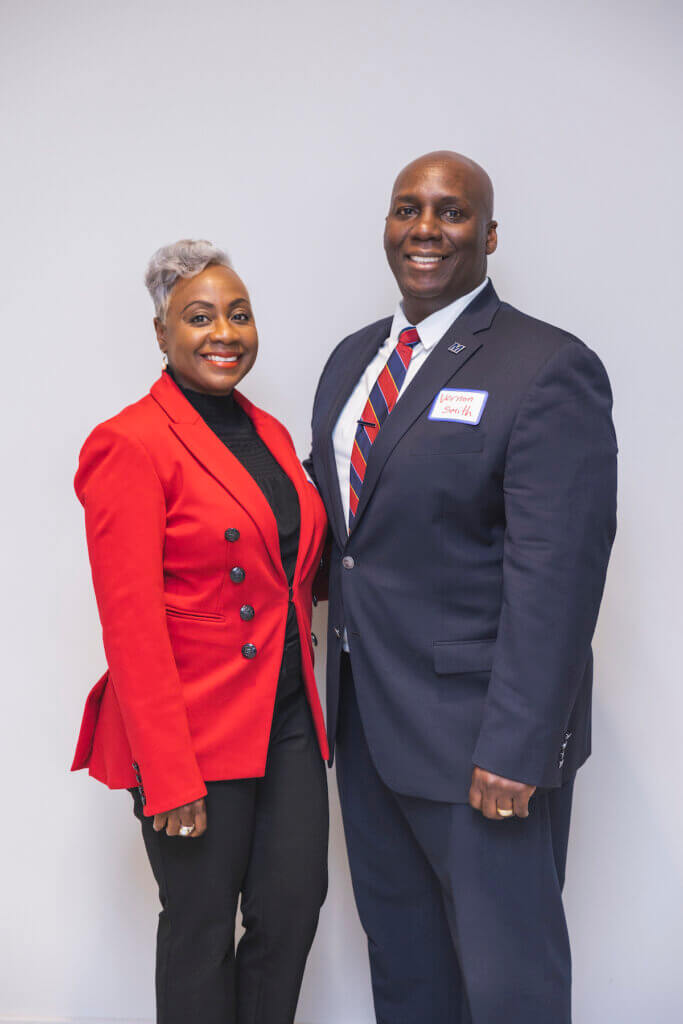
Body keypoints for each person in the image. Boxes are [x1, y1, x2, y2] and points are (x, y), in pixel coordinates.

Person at [305, 152, 617, 1023]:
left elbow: (557, 573)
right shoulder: (351, 362)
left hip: (481, 741)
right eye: (407, 209)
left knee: (506, 976)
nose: (424, 229)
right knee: (404, 965)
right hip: (367, 727)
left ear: (487, 235)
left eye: (449, 212)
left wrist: (518, 747)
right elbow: (343, 532)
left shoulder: (545, 367)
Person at [71, 239, 329, 1024]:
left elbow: (295, 573)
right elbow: (132, 624)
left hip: (286, 721)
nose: (225, 332)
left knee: (289, 916)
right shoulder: (130, 443)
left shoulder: (272, 435)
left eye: (239, 314)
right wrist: (169, 771)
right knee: (201, 931)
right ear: (161, 334)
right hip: (192, 726)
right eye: (199, 316)